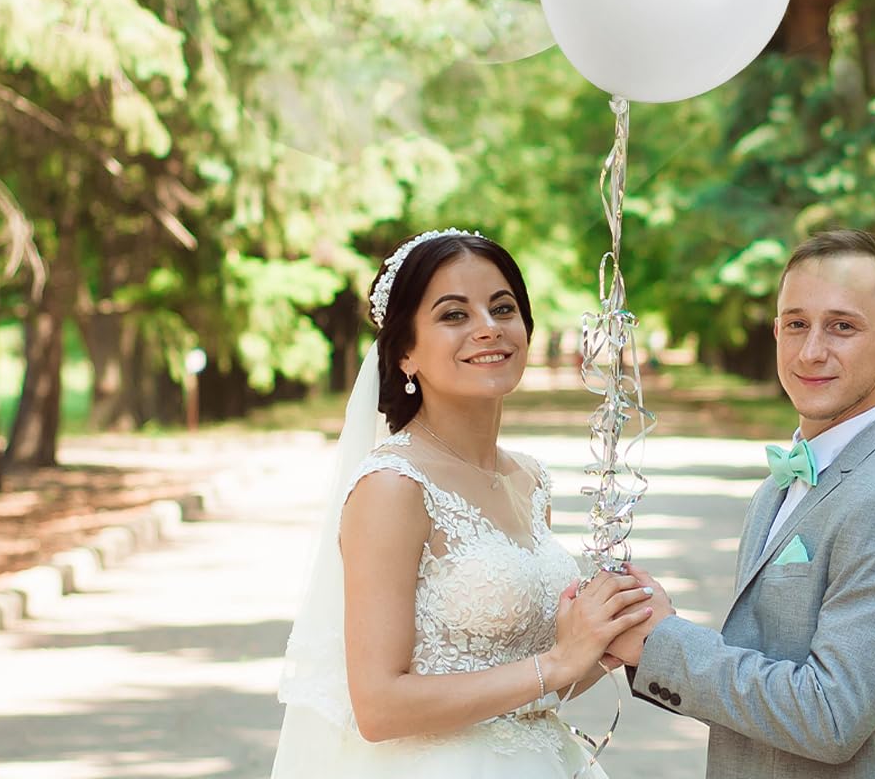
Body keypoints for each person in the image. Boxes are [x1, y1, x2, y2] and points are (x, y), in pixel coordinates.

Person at [272, 227, 654, 779]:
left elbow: (526, 682)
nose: (488, 329)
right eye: (454, 315)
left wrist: (605, 637)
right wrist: (556, 663)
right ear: (405, 352)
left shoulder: (530, 479)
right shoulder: (393, 486)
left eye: (503, 308)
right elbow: (378, 707)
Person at [607, 228, 875, 778]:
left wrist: (662, 643)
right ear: (776, 332)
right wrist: (650, 620)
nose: (812, 350)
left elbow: (829, 715)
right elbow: (763, 669)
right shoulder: (780, 483)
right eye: (797, 324)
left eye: (842, 327)